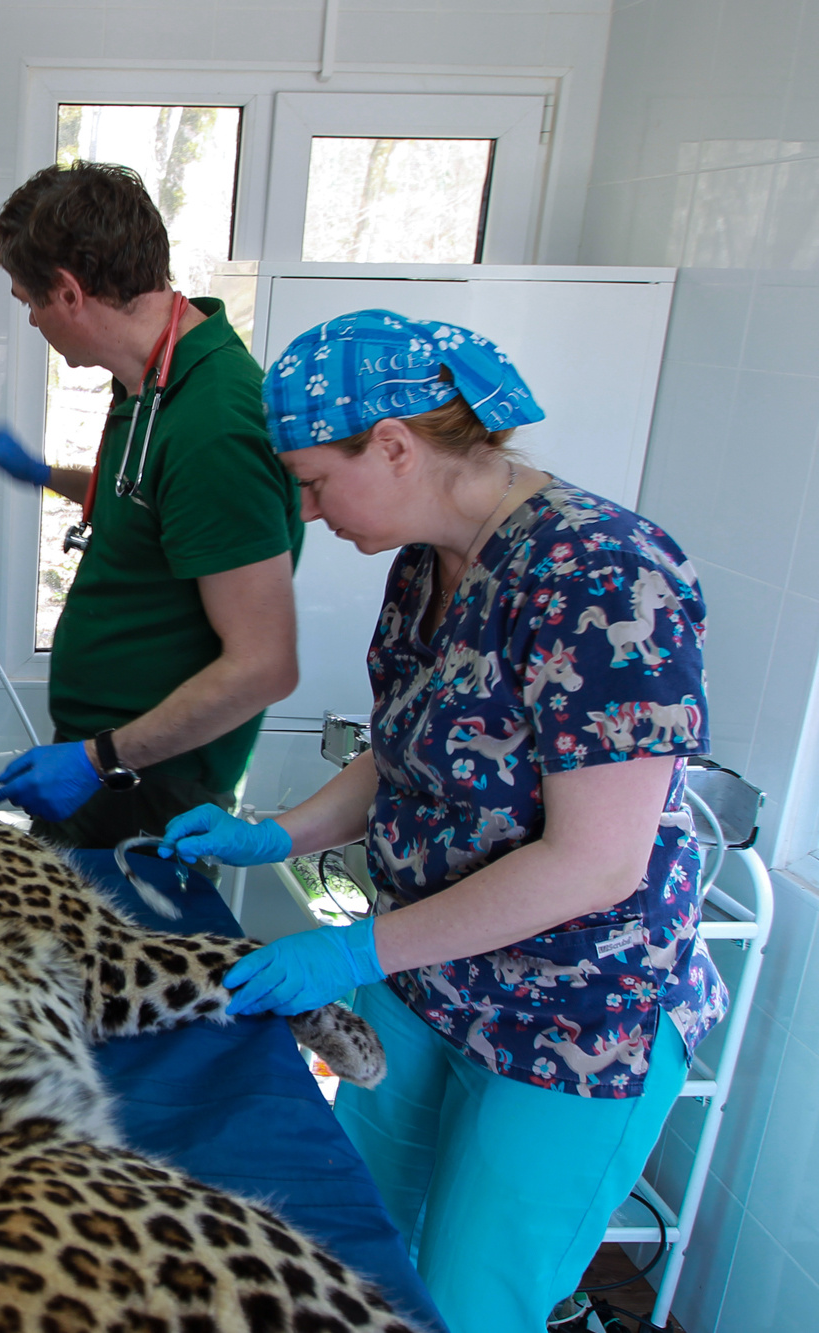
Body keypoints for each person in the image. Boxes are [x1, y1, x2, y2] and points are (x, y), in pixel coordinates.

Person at [160, 310, 724, 1333]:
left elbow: (593, 863)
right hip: (430, 986)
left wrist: (353, 950)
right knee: (362, 1258)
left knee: (471, 1304)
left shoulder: (604, 577)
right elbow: (407, 748)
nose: (307, 509)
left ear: (391, 444)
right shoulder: (421, 566)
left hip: (574, 1021)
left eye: (314, 481)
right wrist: (276, 833)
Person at [0, 162, 301, 845]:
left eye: (29, 300)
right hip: (110, 753)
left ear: (70, 292)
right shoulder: (153, 380)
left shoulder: (214, 421)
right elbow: (154, 504)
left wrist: (98, 760)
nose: (30, 319)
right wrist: (41, 472)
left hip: (151, 774)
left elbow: (265, 664)